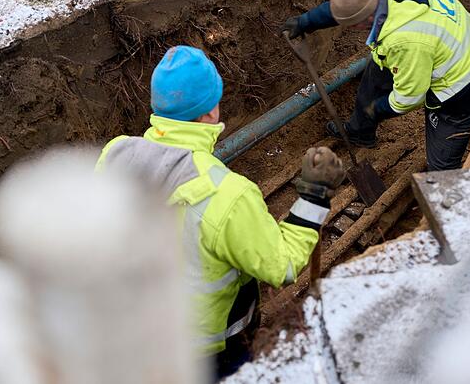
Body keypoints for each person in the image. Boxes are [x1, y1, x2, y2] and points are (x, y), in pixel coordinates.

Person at [96, 46, 345, 379]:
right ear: (210, 113)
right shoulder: (227, 194)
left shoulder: (116, 153)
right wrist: (314, 197)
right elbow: (281, 266)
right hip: (208, 350)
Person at [282, 0, 470, 170]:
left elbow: (410, 96)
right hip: (452, 41)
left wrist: (378, 109)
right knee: (374, 80)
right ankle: (360, 132)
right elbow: (348, 6)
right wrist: (306, 21)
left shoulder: (405, 40)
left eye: (351, 24)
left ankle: (446, 203)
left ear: (365, 19)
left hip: (465, 85)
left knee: (441, 163)